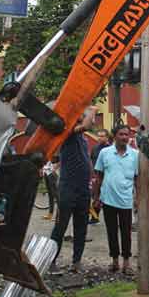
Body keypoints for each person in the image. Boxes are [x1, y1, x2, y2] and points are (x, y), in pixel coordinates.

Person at [49, 109, 96, 273]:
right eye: (82, 115)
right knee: (60, 226)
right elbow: (87, 125)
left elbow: (87, 158)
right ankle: (51, 261)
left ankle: (76, 262)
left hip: (83, 188)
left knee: (81, 226)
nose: (87, 117)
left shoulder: (82, 139)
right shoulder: (68, 131)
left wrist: (92, 177)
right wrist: (93, 109)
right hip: (67, 187)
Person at [94, 125, 139, 274]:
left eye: (126, 135)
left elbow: (137, 178)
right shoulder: (104, 153)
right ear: (114, 136)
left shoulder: (135, 155)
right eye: (121, 134)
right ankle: (114, 261)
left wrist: (137, 198)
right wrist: (96, 197)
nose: (124, 137)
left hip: (126, 200)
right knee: (111, 231)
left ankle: (127, 262)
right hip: (108, 200)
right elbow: (98, 176)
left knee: (126, 232)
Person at [88, 128, 110, 224]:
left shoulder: (110, 149)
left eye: (102, 136)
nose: (99, 138)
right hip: (96, 176)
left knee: (107, 198)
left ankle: (109, 217)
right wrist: (92, 174)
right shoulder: (95, 148)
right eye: (99, 136)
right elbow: (91, 160)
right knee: (95, 197)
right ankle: (94, 217)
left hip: (107, 176)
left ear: (107, 137)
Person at [41, 155, 59, 221]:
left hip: (52, 173)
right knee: (50, 195)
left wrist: (55, 168)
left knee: (56, 195)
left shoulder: (56, 147)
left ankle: (59, 216)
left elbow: (61, 158)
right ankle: (50, 214)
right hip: (46, 172)